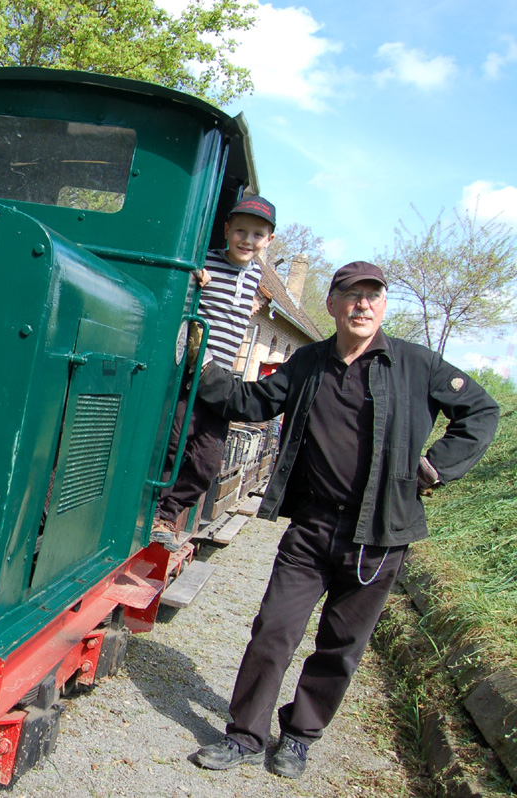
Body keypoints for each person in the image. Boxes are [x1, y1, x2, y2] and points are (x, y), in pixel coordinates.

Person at [190, 261, 499, 778]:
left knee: (340, 646)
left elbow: (481, 412)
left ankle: (299, 737)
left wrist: (438, 465)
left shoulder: (416, 363)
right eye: (351, 296)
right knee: (273, 631)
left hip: (380, 535)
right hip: (312, 528)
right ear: (331, 305)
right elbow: (254, 401)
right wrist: (199, 364)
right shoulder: (308, 362)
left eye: (372, 296)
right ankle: (245, 736)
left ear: (383, 307)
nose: (362, 305)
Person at [151, 196, 275, 550]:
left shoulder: (255, 276)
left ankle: (172, 508)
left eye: (257, 234)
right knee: (173, 445)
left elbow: (252, 304)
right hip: (191, 375)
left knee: (208, 463)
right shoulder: (206, 262)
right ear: (226, 231)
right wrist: (196, 282)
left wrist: (255, 306)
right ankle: (157, 514)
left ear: (269, 241)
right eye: (240, 231)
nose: (247, 240)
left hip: (222, 384)